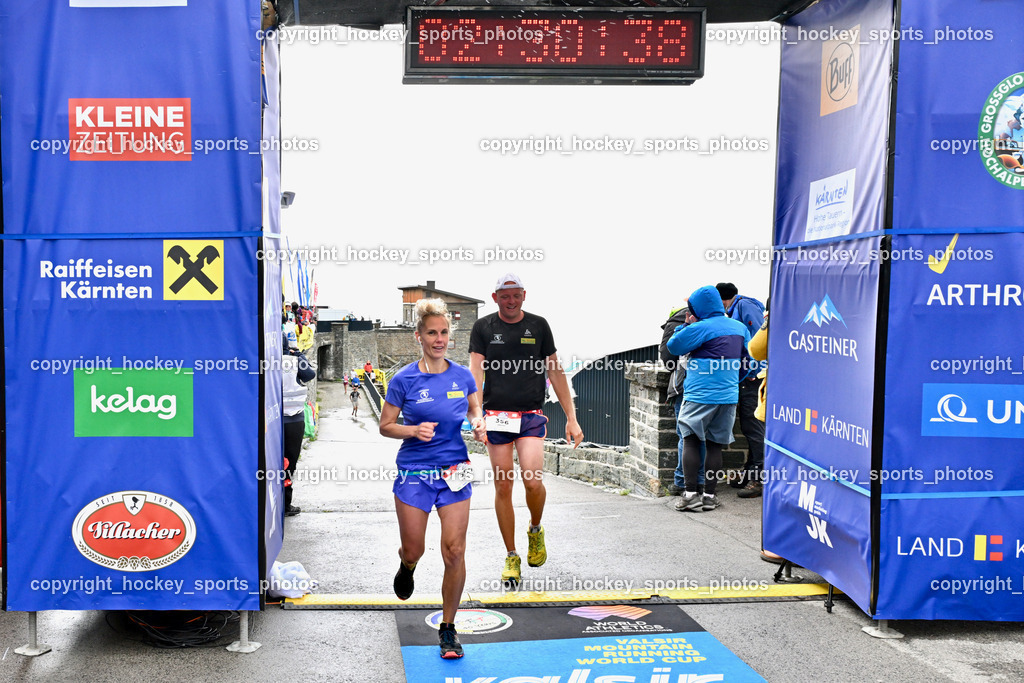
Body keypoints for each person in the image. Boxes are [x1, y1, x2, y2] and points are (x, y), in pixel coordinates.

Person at [380, 299, 485, 659]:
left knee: (455, 551)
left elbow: (474, 409)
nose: (438, 339)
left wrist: (479, 423)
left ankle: (448, 628)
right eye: (431, 333)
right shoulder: (404, 379)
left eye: (443, 333)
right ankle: (406, 565)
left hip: (454, 472)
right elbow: (385, 425)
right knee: (415, 548)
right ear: (419, 337)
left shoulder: (462, 375)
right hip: (414, 473)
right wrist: (412, 430)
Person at [469, 273, 583, 587]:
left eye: (516, 295)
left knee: (532, 482)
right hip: (497, 417)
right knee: (503, 487)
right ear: (495, 298)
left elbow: (556, 372)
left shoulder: (539, 325)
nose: (511, 301)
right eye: (504, 296)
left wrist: (571, 418)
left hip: (530, 415)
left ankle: (535, 530)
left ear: (523, 295)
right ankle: (511, 555)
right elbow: (475, 373)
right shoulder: (484, 328)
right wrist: (476, 414)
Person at [667, 285, 750, 513]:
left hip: (699, 395)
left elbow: (673, 346)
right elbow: (748, 362)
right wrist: (732, 380)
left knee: (692, 440)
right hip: (728, 395)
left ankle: (691, 495)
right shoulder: (739, 327)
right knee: (715, 446)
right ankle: (710, 497)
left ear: (696, 308)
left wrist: (686, 323)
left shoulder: (700, 327)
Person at [716, 282, 766, 499]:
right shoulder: (737, 307)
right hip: (747, 376)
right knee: (749, 428)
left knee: (754, 428)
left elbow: (757, 340)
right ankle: (749, 474)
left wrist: (756, 368)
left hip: (752, 378)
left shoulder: (744, 307)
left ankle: (758, 479)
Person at [659, 305, 704, 501]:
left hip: (683, 386)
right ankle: (698, 481)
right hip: (709, 386)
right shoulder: (717, 322)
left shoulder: (679, 322)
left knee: (685, 435)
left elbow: (667, 358)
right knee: (701, 436)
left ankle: (682, 481)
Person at [282, 330, 315, 517]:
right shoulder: (294, 361)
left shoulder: (263, 361)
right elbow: (309, 374)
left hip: (269, 420)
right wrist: (299, 354)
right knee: (289, 463)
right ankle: (286, 504)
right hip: (293, 420)